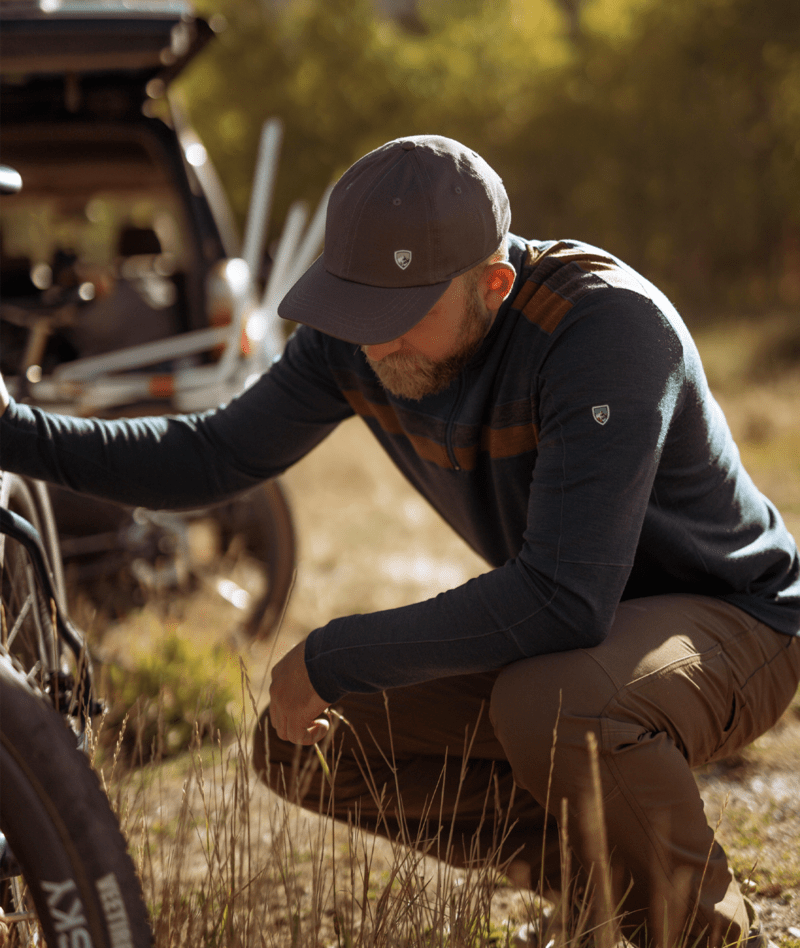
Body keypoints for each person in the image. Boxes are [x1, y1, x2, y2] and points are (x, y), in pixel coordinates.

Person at [1, 136, 798, 948]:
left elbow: (565, 597)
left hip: (736, 623)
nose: (374, 344)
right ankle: (603, 888)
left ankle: (705, 934)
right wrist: (10, 429)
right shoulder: (359, 335)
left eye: (400, 315)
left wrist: (334, 652)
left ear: (494, 283)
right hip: (579, 645)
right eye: (356, 308)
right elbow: (210, 457)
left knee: (555, 703)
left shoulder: (607, 330)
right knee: (300, 745)